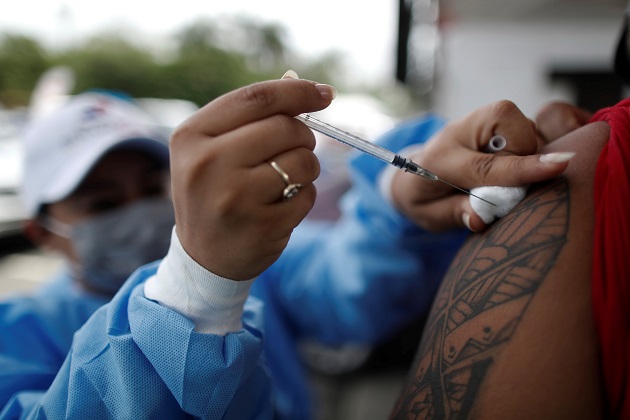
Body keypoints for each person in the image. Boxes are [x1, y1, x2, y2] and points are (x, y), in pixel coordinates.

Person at [0, 73, 572, 419]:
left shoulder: (261, 269)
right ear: (43, 233)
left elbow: (348, 284)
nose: (140, 211)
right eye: (103, 204)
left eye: (154, 187)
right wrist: (194, 288)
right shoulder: (16, 338)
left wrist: (403, 202)